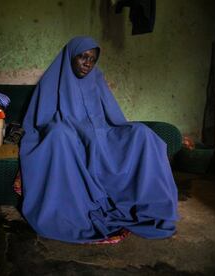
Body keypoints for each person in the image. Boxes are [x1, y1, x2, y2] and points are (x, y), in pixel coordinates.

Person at [19, 36, 179, 244]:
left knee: (141, 133)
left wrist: (102, 133)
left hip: (102, 134)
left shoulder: (96, 78)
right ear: (71, 57)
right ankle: (76, 209)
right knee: (59, 135)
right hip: (71, 136)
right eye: (82, 57)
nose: (88, 63)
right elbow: (42, 121)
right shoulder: (53, 80)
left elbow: (113, 117)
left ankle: (153, 205)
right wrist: (79, 130)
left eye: (92, 59)